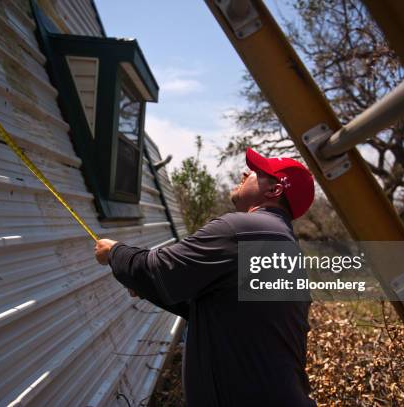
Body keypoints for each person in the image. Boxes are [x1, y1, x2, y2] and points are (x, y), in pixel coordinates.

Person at [95, 148, 316, 406]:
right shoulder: (283, 245)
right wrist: (148, 288)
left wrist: (114, 252)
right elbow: (220, 309)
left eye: (256, 171)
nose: (245, 173)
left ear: (274, 190)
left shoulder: (241, 229)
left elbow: (157, 269)